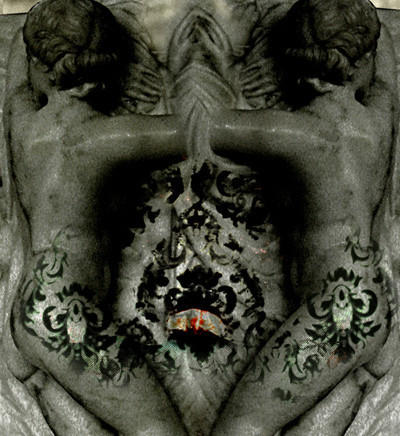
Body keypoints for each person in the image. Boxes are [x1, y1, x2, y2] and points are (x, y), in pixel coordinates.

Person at [211, 0, 398, 434]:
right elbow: (382, 49)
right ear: (363, 60)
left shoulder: (294, 133)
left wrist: (249, 64)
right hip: (367, 303)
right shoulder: (381, 113)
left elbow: (210, 127)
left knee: (240, 429)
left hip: (337, 313)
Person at [6, 0, 186, 434]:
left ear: (39, 64)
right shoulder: (106, 138)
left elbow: (18, 59)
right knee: (158, 431)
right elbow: (195, 132)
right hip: (63, 316)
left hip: (31, 311)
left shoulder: (21, 120)